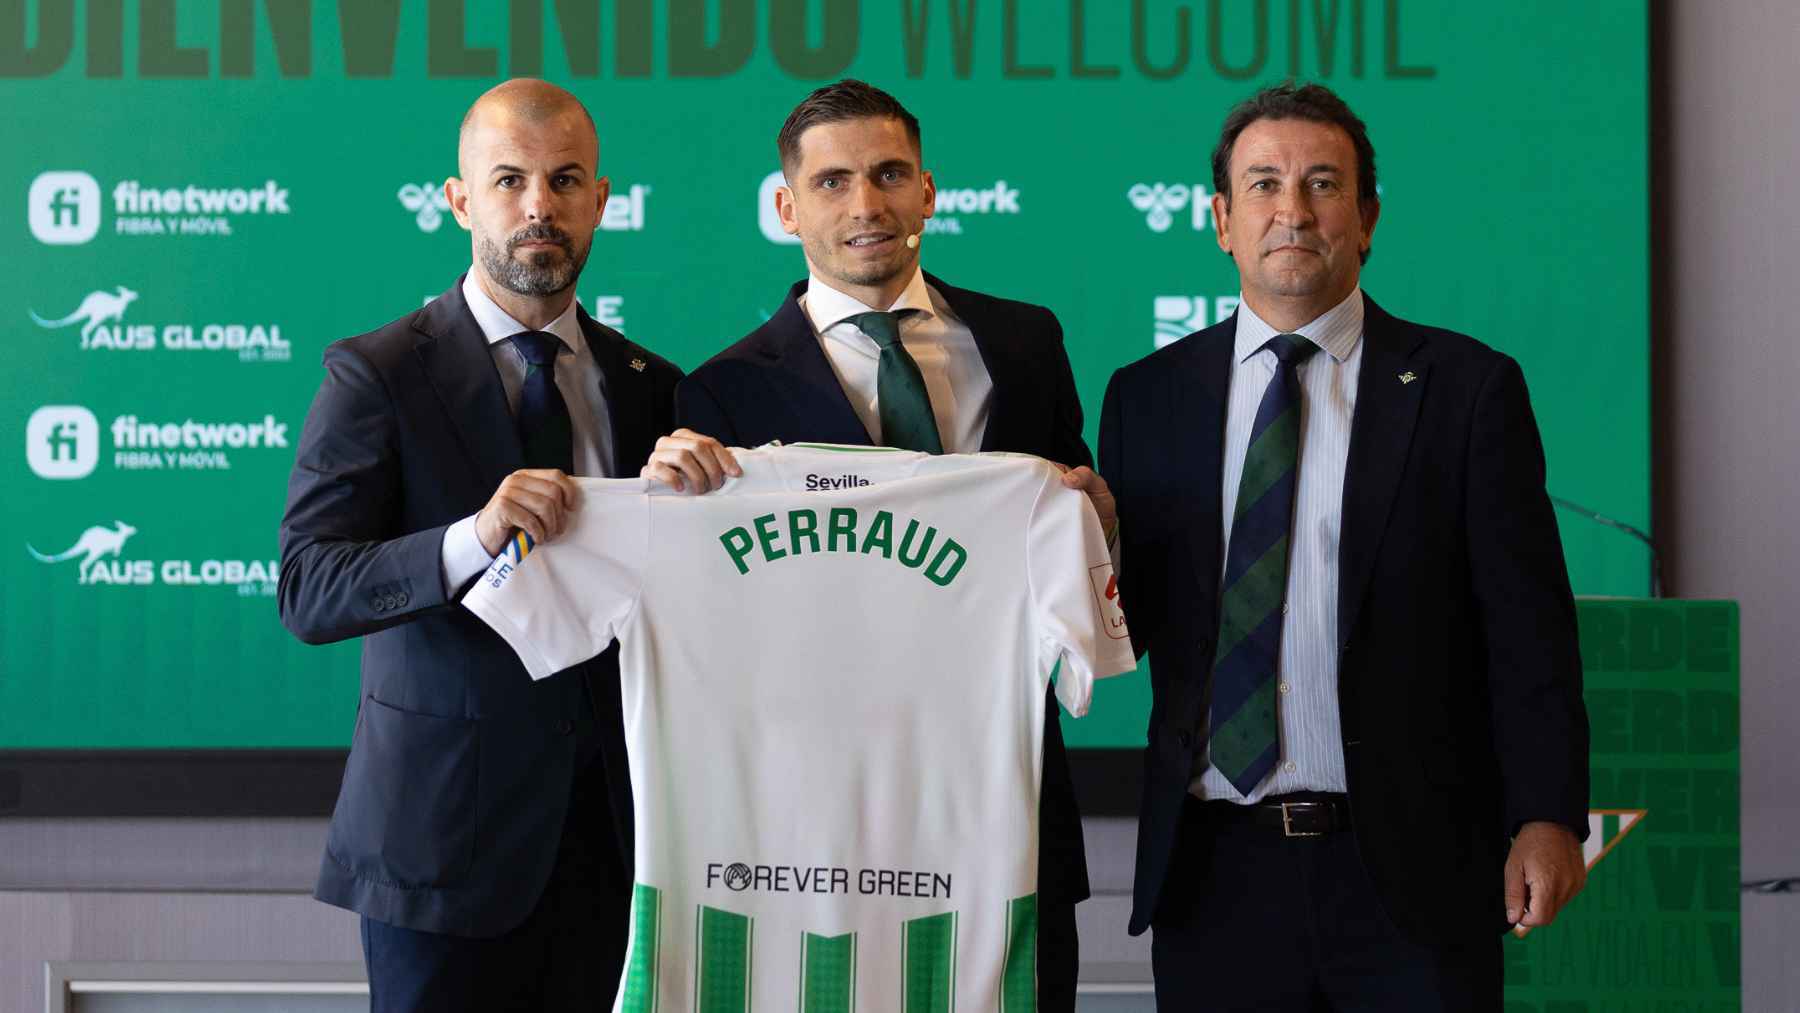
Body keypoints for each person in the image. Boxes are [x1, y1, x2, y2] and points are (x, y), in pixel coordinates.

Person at [1100, 81, 1590, 1010]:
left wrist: (1548, 814)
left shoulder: (1466, 388)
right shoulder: (1146, 396)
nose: (1292, 210)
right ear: (1221, 220)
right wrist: (1088, 546)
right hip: (1214, 876)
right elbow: (1140, 620)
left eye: (1323, 184)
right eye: (1264, 185)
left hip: (1412, 874)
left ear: (1366, 218)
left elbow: (1530, 633)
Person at [278, 79, 735, 1012]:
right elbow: (309, 586)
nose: (539, 206)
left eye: (565, 180)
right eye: (509, 179)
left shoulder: (656, 387)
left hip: (622, 848)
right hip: (438, 851)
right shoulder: (377, 372)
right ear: (458, 199)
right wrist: (469, 539)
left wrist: (714, 509)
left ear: (602, 201)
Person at [673, 79, 1114, 1013]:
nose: (865, 205)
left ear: (929, 191)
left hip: (1012, 809)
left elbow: (1074, 550)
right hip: (816, 838)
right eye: (832, 182)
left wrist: (1097, 529)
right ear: (788, 206)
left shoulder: (1026, 342)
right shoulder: (721, 398)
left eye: (888, 175)